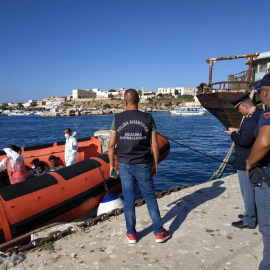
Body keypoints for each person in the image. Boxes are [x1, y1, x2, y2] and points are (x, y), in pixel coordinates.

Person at [108, 89, 170, 244]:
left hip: (124, 164)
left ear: (125, 102)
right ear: (139, 101)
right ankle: (159, 233)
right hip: (143, 164)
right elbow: (154, 144)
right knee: (149, 197)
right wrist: (155, 163)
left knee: (128, 199)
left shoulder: (118, 118)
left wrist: (111, 166)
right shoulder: (148, 118)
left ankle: (131, 234)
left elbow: (110, 146)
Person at [225, 93, 261, 229]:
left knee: (247, 191)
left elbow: (244, 141)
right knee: (252, 190)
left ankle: (249, 219)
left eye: (239, 108)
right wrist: (239, 130)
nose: (238, 111)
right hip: (253, 158)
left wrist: (233, 134)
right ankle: (251, 213)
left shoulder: (249, 120)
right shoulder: (258, 115)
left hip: (245, 159)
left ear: (245, 106)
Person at [246, 73, 270, 270]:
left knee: (268, 229)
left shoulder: (267, 114)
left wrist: (249, 163)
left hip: (267, 180)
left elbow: (264, 142)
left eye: (261, 91)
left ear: (267, 92)